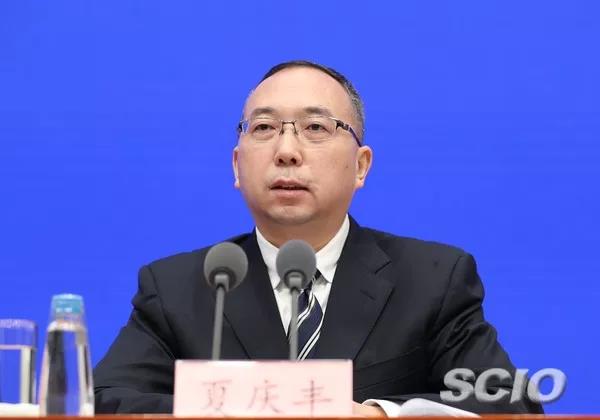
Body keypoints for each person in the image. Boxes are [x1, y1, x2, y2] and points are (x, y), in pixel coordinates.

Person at [94, 60, 542, 415]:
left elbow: (510, 403)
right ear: (236, 165)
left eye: (315, 128)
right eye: (264, 128)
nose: (287, 151)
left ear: (361, 166)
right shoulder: (177, 287)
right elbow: (102, 401)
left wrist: (380, 415)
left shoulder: (432, 279)